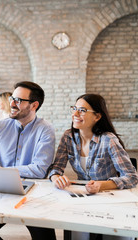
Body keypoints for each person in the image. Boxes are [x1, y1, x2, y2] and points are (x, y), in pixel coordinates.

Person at [49, 93, 138, 240]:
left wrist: (101, 185)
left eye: (82, 110)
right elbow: (56, 168)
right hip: (83, 200)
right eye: (74, 108)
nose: (75, 114)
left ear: (97, 117)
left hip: (111, 201)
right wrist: (55, 177)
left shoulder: (108, 139)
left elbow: (132, 177)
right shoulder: (68, 137)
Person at [0, 81, 56, 240]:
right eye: (12, 98)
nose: (11, 103)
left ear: (34, 105)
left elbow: (39, 169)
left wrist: (3, 171)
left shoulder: (45, 129)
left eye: (18, 100)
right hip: (2, 189)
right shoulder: (0, 127)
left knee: (44, 237)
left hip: (34, 192)